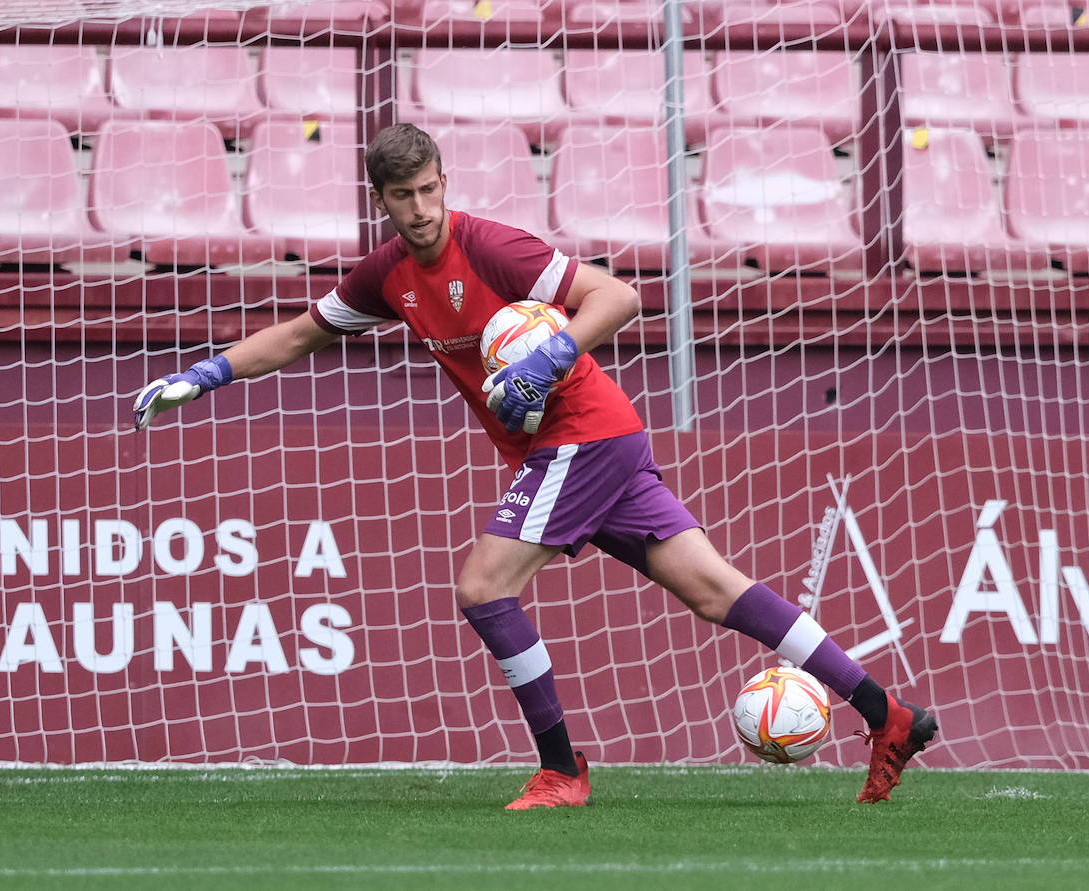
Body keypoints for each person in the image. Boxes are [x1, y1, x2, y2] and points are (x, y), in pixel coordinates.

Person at [133, 123, 937, 809]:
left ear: (444, 182)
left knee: (483, 586)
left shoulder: (491, 246)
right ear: (379, 200)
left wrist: (545, 359)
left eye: (428, 190)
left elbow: (616, 298)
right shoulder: (388, 276)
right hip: (597, 441)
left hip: (582, 434)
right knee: (714, 588)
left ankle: (561, 767)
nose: (419, 210)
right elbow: (303, 333)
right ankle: (885, 710)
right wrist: (202, 374)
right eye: (402, 197)